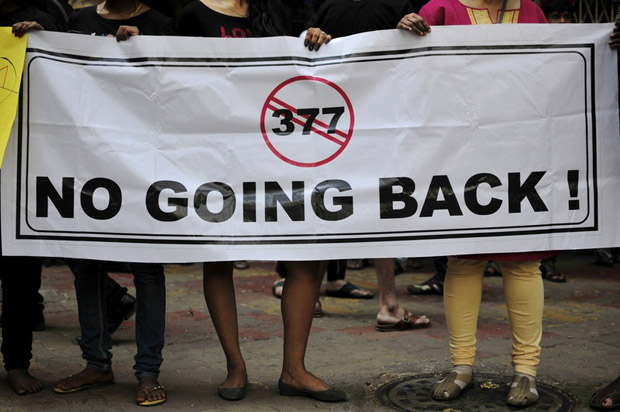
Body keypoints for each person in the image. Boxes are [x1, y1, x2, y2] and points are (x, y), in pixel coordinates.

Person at [177, 0, 345, 402]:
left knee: (307, 256)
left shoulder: (282, 7)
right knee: (219, 256)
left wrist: (319, 40)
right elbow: (168, 73)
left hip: (282, 149)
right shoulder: (192, 13)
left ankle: (295, 370)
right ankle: (235, 367)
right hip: (219, 150)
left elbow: (314, 61)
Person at [15, 0, 176, 406]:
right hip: (86, 159)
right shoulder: (78, 21)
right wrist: (35, 38)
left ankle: (147, 371)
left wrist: (148, 45)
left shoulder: (161, 24)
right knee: (86, 266)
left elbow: (176, 86)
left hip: (143, 163)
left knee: (147, 269)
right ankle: (96, 363)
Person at [398, 0, 552, 407]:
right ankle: (461, 365)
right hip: (459, 154)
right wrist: (403, 32)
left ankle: (526, 372)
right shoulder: (440, 8)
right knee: (465, 258)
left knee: (523, 261)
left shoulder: (532, 9)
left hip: (520, 152)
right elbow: (402, 70)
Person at [308, 0, 431, 332]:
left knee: (339, 204)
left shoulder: (396, 5)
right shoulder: (329, 5)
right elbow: (303, 47)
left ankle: (312, 299)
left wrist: (410, 26)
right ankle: (386, 304)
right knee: (366, 205)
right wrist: (312, 35)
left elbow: (423, 49)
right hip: (356, 118)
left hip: (358, 119)